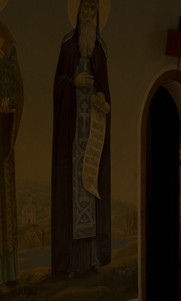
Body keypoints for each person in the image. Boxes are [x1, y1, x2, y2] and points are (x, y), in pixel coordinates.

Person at [51, 0, 111, 279]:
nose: (89, 14)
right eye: (85, 8)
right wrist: (73, 83)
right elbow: (57, 84)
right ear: (77, 12)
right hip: (73, 136)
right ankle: (74, 262)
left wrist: (100, 96)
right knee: (75, 195)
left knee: (92, 193)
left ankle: (94, 258)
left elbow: (106, 91)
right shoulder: (67, 46)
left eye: (93, 10)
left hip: (94, 137)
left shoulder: (99, 50)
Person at [0, 17, 22, 285]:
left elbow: (18, 87)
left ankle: (7, 274)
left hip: (2, 134)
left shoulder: (6, 34)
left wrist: (8, 110)